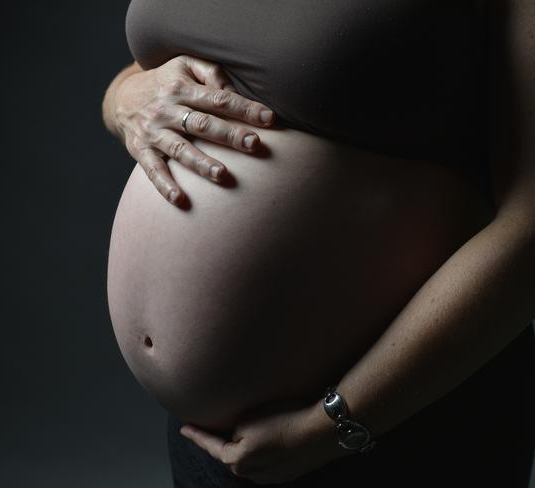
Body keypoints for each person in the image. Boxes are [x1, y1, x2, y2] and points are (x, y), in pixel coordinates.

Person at [102, 0, 535, 486]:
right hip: (215, 441)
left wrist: (334, 425)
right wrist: (124, 97)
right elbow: (157, 60)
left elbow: (530, 223)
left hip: (393, 415)